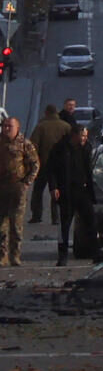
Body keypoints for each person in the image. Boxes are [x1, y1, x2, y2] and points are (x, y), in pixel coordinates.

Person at [45, 121, 96, 264]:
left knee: (90, 220)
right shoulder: (60, 148)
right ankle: (63, 255)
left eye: (86, 136)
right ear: (74, 135)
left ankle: (96, 253)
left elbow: (89, 170)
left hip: (83, 191)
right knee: (64, 225)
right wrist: (53, 187)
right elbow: (51, 170)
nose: (84, 139)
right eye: (82, 136)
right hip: (66, 192)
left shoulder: (86, 148)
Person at [28, 102, 69, 225]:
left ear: (46, 113)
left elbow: (32, 145)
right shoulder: (65, 126)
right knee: (57, 190)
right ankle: (56, 217)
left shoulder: (41, 127)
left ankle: (36, 215)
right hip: (60, 165)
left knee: (38, 190)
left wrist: (33, 161)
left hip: (43, 164)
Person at [0, 114, 33, 266]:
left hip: (17, 188)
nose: (6, 129)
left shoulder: (24, 144)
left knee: (16, 225)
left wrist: (26, 183)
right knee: (1, 225)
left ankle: (15, 256)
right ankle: (2, 256)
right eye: (4, 126)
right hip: (2, 188)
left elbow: (35, 164)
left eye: (9, 126)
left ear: (17, 128)